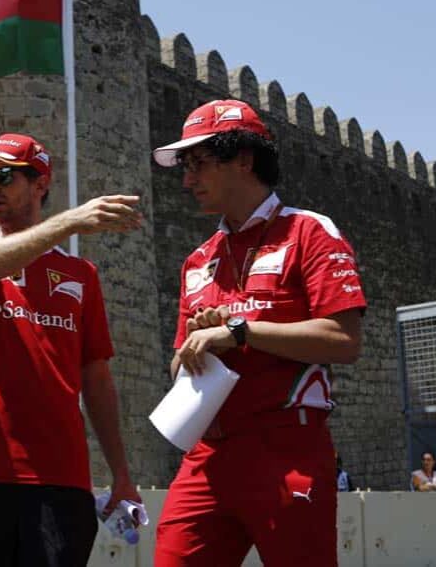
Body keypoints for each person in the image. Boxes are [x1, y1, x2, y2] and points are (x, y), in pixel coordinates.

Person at [151, 99, 367, 566]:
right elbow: (178, 366)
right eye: (184, 166)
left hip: (286, 448)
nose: (187, 179)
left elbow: (345, 341)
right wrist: (196, 344)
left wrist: (239, 330)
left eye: (198, 164)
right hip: (208, 454)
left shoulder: (309, 232)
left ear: (244, 160)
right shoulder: (196, 260)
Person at [0, 133, 143, 567]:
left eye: (4, 176)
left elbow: (97, 378)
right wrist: (67, 223)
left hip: (62, 483)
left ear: (41, 183)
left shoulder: (81, 274)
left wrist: (121, 473)